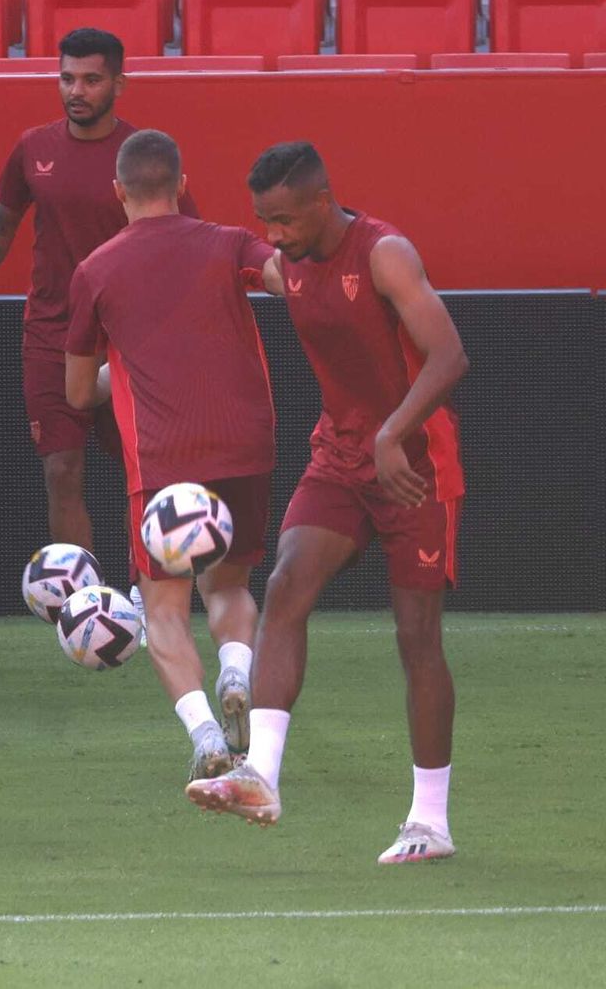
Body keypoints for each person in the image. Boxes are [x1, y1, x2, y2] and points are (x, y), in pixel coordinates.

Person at [188, 141, 468, 865]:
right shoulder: (289, 265)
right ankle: (262, 776)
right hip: (339, 457)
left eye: (282, 219)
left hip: (413, 463)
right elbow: (223, 253)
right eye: (263, 222)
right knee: (284, 585)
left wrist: (392, 434)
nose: (273, 235)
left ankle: (429, 822)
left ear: (321, 200)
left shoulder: (385, 253)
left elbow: (450, 356)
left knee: (417, 638)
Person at [64, 130, 275, 779]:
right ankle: (236, 671)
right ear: (181, 184)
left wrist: (117, 371)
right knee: (232, 585)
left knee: (162, 607)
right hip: (246, 445)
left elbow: (77, 392)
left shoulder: (95, 270)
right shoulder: (228, 241)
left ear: (119, 191)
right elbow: (288, 276)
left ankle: (207, 734)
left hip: (162, 463)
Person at [0, 28, 198, 556]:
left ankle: (142, 590)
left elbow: (188, 241)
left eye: (92, 80)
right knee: (61, 470)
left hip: (128, 340)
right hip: (52, 334)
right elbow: (2, 224)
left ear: (119, 83)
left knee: (141, 469)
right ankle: (81, 603)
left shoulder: (141, 156)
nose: (76, 91)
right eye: (67, 78)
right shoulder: (33, 147)